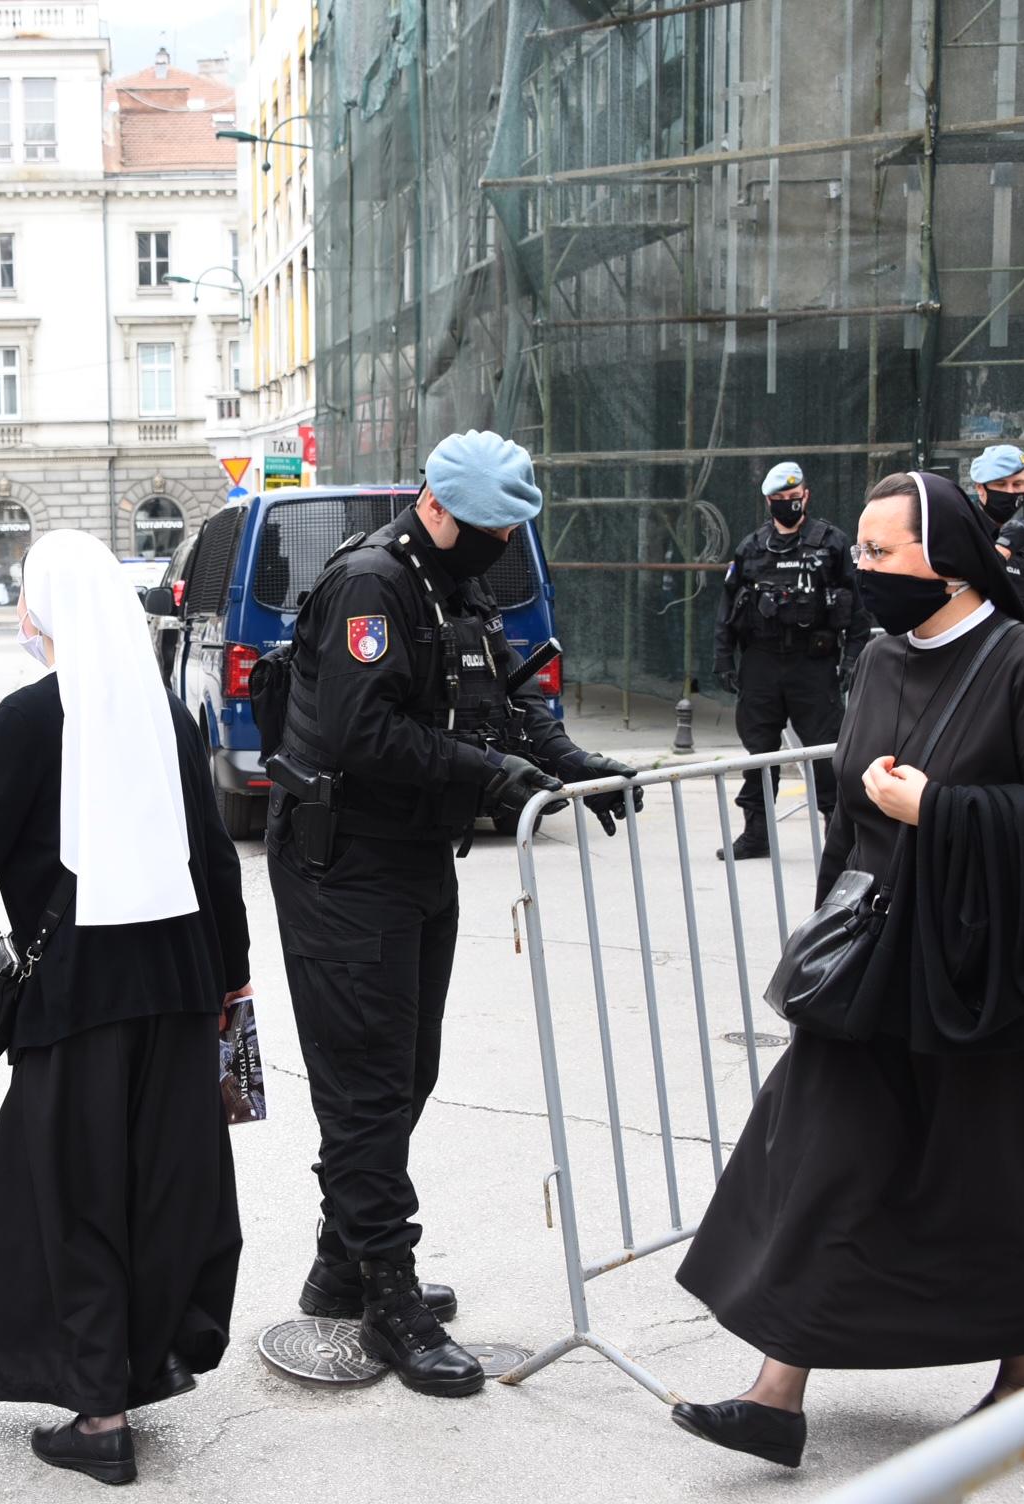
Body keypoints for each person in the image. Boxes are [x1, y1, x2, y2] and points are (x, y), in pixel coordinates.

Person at [669, 471, 1024, 1470]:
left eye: (881, 552)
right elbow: (847, 823)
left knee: (998, 1175)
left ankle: (1021, 1375)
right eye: (861, 551)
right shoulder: (875, 660)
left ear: (948, 561)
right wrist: (826, 934)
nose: (860, 568)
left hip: (994, 967)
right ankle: (776, 1392)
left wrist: (942, 811)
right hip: (878, 956)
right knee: (825, 1153)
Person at [0, 531, 250, 1487]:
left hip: (79, 1000)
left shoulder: (28, 720)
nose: (25, 617)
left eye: (30, 599)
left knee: (77, 1202)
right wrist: (231, 982)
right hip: (181, 994)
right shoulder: (164, 717)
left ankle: (101, 1421)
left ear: (49, 612)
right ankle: (148, 1363)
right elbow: (215, 861)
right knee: (160, 1189)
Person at [265, 429, 641, 1397]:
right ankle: (387, 1299)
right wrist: (493, 776)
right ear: (437, 508)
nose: (500, 547)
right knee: (367, 1083)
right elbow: (365, 731)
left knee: (406, 1069)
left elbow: (507, 698)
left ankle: (342, 1265)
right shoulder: (372, 587)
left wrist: (572, 766)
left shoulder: (450, 584)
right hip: (342, 864)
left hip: (412, 858)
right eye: (489, 529)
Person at [711, 461, 868, 860]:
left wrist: (852, 660)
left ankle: (840, 838)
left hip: (812, 663)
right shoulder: (751, 547)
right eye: (780, 500)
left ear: (806, 496)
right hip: (762, 662)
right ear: (768, 501)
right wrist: (723, 658)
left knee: (824, 753)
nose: (788, 506)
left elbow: (858, 610)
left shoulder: (831, 543)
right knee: (760, 752)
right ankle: (756, 834)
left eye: (794, 499)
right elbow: (728, 607)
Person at [970, 444, 1024, 639]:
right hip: (983, 652)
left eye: (1017, 485)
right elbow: (966, 589)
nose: (1010, 492)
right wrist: (1004, 546)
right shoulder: (966, 532)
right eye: (1000, 485)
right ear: (980, 488)